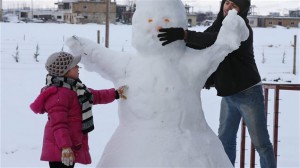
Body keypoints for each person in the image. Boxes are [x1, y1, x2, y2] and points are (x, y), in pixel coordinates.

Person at [157, 0, 276, 167]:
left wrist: (184, 34)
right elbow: (201, 44)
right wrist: (177, 39)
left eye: (235, 6)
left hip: (249, 93)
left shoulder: (241, 27)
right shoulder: (217, 25)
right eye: (227, 3)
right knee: (225, 142)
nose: (229, 7)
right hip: (228, 94)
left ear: (242, 10)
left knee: (261, 144)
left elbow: (214, 41)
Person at [30, 51, 128, 168]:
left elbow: (95, 96)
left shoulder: (75, 89)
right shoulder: (58, 95)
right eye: (74, 66)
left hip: (69, 145)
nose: (78, 67)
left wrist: (115, 94)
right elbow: (58, 124)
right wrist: (65, 147)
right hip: (60, 150)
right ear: (65, 71)